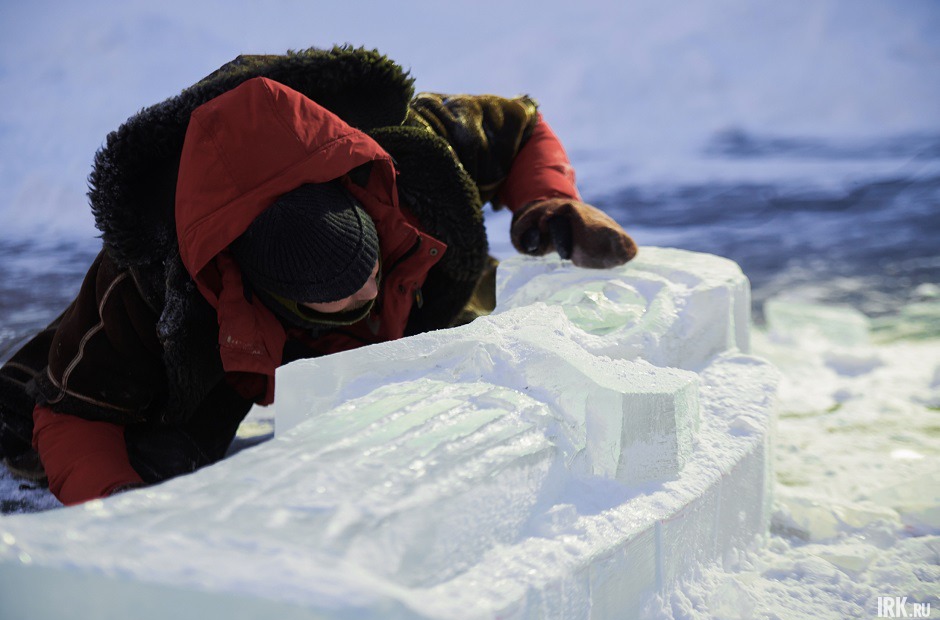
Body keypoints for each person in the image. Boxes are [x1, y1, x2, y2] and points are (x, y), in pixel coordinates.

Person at [0, 46, 637, 506]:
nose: (364, 298)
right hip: (197, 349)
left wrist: (549, 201)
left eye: (369, 271)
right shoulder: (147, 280)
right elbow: (75, 414)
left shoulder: (411, 150)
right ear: (269, 296)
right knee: (153, 452)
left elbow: (520, 126)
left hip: (427, 298)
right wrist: (116, 514)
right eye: (337, 303)